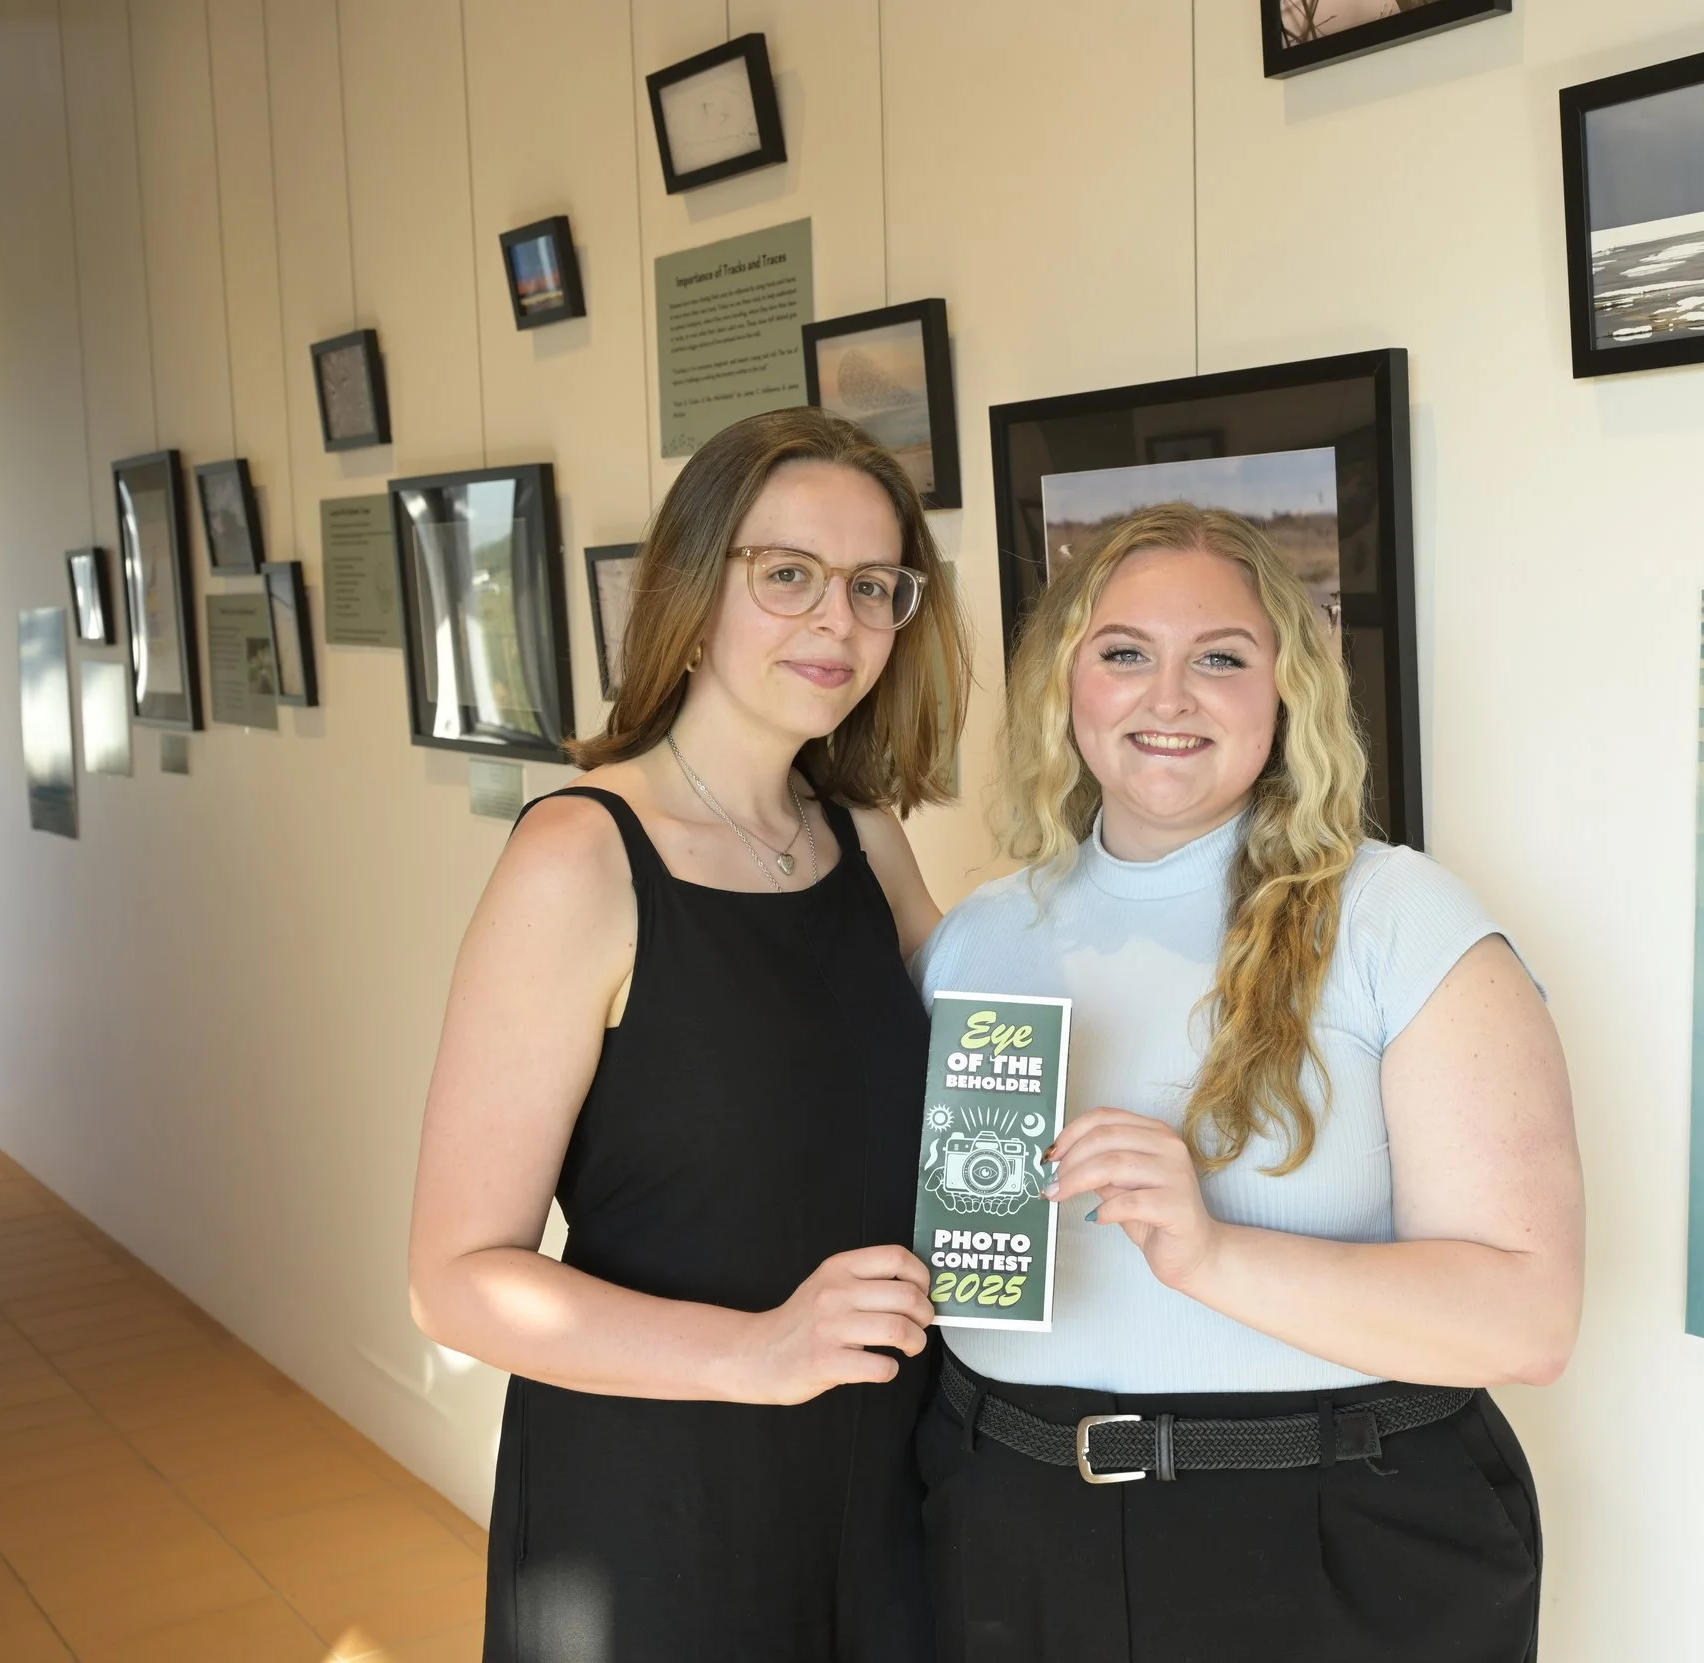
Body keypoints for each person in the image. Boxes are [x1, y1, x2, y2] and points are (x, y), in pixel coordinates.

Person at [911, 504, 1584, 1663]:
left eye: (1219, 658)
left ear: (1287, 690)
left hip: (1330, 1544)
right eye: (1125, 652)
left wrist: (1211, 1254)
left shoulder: (1396, 918)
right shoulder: (981, 934)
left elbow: (1527, 1323)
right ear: (1064, 681)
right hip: (1008, 1525)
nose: (1167, 697)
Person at [407, 406, 969, 1662]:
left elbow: (980, 1078)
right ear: (693, 590)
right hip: (657, 1503)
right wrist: (760, 1351)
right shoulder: (581, 855)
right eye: (789, 575)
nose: (839, 622)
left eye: (873, 586)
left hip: (879, 1475)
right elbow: (454, 1278)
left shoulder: (865, 843)